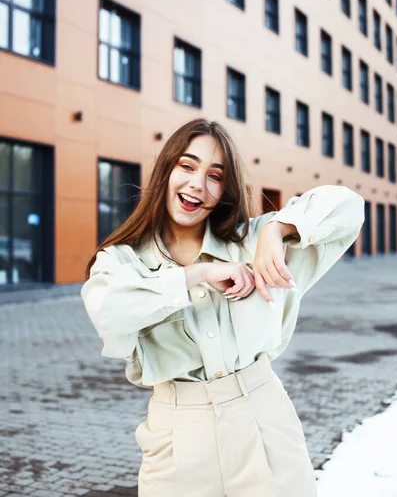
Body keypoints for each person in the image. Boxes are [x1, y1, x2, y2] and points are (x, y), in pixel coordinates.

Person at [81, 118, 365, 497]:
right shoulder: (122, 261)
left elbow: (349, 208)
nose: (198, 183)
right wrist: (199, 274)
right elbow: (107, 311)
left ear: (224, 190)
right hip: (178, 439)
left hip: (265, 425)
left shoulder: (251, 244)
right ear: (166, 171)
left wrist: (277, 230)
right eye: (187, 166)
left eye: (215, 175)